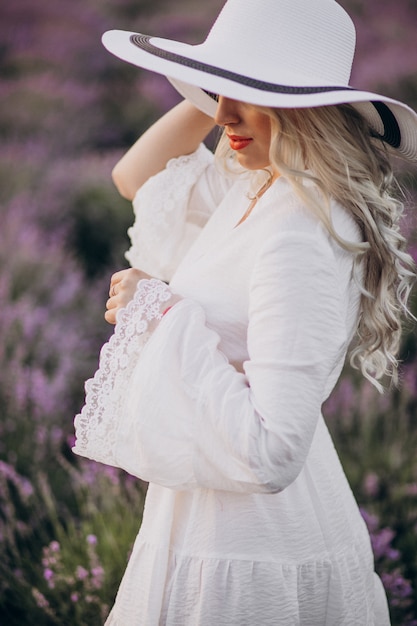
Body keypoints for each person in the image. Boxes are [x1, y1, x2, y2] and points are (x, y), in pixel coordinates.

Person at [73, 0, 417, 624]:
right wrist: (229, 87)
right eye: (217, 91)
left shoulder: (303, 226)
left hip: (251, 544)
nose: (219, 111)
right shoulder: (262, 182)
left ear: (309, 108)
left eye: (245, 92)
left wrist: (159, 310)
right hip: (209, 518)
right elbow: (135, 177)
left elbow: (273, 451)